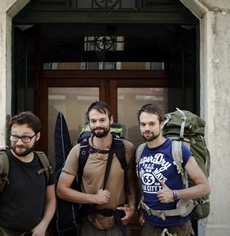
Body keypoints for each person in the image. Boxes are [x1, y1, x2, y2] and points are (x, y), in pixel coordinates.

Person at [57, 101, 137, 236]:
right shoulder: (79, 151)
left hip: (118, 222)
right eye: (93, 121)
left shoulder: (126, 148)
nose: (98, 125)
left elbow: (130, 181)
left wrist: (133, 206)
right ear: (88, 123)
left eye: (102, 120)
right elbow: (61, 190)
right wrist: (94, 198)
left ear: (111, 120)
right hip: (89, 222)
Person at [136, 104, 211, 236]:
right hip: (149, 226)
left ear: (162, 124)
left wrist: (174, 194)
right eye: (143, 124)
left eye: (152, 124)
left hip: (177, 227)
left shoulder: (178, 150)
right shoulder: (140, 151)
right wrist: (141, 209)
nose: (147, 128)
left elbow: (205, 188)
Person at [0, 111, 56, 236]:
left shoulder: (44, 163)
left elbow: (51, 200)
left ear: (37, 136)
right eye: (15, 136)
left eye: (26, 137)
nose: (19, 142)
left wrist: (43, 225)